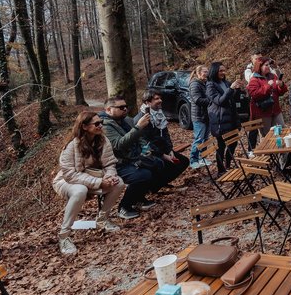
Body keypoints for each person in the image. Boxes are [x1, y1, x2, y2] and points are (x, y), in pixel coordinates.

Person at [52, 111, 125, 255]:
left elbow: (109, 163)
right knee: (80, 191)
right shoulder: (71, 146)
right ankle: (64, 236)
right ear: (84, 126)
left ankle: (103, 219)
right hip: (66, 181)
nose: (100, 126)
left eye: (101, 123)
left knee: (119, 183)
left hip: (91, 178)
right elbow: (70, 174)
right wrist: (99, 182)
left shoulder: (103, 140)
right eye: (96, 123)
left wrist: (110, 177)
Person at [99, 96, 158, 219]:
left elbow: (140, 137)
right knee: (142, 175)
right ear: (109, 110)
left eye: (126, 106)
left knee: (158, 165)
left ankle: (138, 199)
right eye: (121, 107)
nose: (125, 109)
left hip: (133, 157)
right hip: (116, 164)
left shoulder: (127, 120)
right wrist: (138, 127)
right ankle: (124, 207)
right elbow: (118, 145)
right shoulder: (105, 126)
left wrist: (145, 149)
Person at [135, 90, 189, 188]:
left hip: (162, 149)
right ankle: (156, 186)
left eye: (160, 98)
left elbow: (165, 133)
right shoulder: (142, 118)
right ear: (148, 102)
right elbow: (146, 143)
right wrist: (163, 155)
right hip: (149, 152)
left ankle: (161, 183)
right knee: (162, 164)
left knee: (184, 161)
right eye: (156, 99)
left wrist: (169, 150)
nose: (160, 100)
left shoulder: (159, 113)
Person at [207, 62, 243, 173]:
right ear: (214, 71)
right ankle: (221, 170)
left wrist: (237, 89)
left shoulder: (226, 83)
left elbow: (233, 99)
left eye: (224, 70)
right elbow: (220, 101)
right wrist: (231, 89)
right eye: (220, 71)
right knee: (221, 146)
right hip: (220, 120)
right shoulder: (210, 85)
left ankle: (227, 164)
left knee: (234, 142)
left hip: (231, 118)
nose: (223, 73)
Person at [247, 57, 288, 136]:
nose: (268, 66)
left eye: (269, 65)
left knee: (282, 130)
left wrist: (281, 85)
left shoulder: (272, 76)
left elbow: (281, 92)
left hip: (276, 110)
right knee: (267, 135)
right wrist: (267, 86)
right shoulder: (254, 80)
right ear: (260, 66)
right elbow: (255, 94)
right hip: (263, 112)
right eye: (266, 65)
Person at [188, 65, 211, 168]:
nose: (206, 73)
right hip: (198, 116)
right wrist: (212, 100)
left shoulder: (205, 83)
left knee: (205, 139)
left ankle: (203, 158)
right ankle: (193, 160)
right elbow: (198, 100)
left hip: (207, 116)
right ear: (198, 73)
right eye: (204, 72)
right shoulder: (194, 84)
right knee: (199, 139)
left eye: (207, 71)